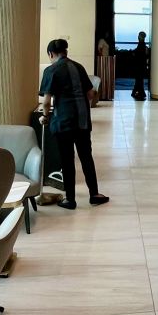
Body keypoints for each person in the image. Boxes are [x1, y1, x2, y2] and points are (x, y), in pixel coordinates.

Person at [40, 39, 109, 210]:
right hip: (82, 120)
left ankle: (70, 199)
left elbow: (47, 101)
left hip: (63, 121)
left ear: (50, 54)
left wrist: (45, 116)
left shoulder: (51, 70)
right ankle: (94, 194)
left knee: (67, 159)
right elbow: (90, 94)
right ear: (66, 52)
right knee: (86, 156)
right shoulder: (79, 67)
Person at [131, 31, 149, 100]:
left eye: (139, 36)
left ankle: (138, 92)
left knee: (139, 79)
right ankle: (140, 92)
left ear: (140, 37)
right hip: (142, 65)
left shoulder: (140, 45)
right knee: (139, 79)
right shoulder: (143, 45)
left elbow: (138, 54)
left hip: (139, 65)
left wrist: (134, 53)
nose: (138, 37)